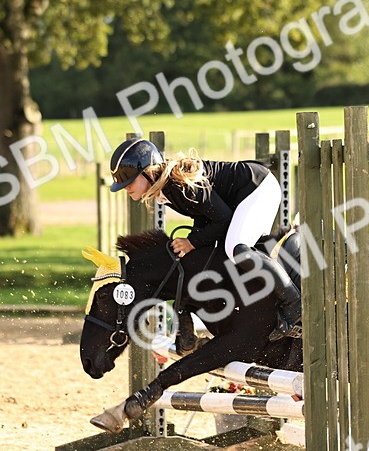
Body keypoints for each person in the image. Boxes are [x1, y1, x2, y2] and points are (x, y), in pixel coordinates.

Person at [108, 138, 301, 343]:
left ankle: (294, 303)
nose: (125, 188)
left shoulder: (176, 185)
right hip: (246, 194)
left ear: (148, 171)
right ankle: (267, 306)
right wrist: (196, 243)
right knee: (234, 251)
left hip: (257, 188)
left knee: (237, 248)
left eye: (130, 180)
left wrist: (192, 241)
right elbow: (204, 214)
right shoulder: (166, 189)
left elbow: (222, 219)